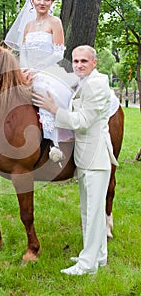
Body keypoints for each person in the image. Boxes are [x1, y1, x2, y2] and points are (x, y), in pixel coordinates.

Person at [32, 45, 119, 275]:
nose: (79, 65)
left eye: (84, 61)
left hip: (96, 157)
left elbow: (82, 121)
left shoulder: (97, 84)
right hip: (86, 156)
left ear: (94, 63)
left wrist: (53, 109)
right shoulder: (84, 82)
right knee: (91, 211)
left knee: (92, 212)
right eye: (76, 61)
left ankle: (87, 265)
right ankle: (98, 256)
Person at [5, 0, 78, 163]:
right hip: (27, 69)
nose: (42, 3)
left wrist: (36, 70)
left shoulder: (55, 22)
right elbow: (24, 52)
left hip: (48, 70)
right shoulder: (28, 26)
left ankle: (53, 142)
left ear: (52, 2)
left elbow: (59, 53)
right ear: (32, 0)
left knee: (44, 91)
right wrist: (24, 70)